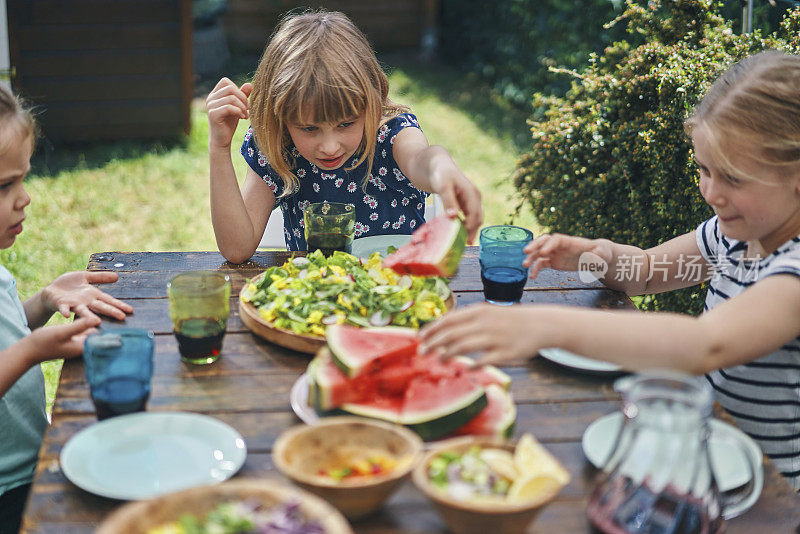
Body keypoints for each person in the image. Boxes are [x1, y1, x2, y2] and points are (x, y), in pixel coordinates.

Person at [420, 50, 800, 489]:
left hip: (772, 488)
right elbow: (649, 272)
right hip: (709, 452)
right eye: (703, 170)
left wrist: (545, 325)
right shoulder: (737, 237)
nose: (711, 192)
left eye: (732, 179)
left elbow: (705, 345)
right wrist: (587, 257)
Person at [205, 10, 483, 263]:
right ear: (281, 119)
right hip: (318, 306)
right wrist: (219, 148)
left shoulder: (391, 135)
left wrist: (443, 169)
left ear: (371, 103)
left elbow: (423, 158)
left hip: (400, 297)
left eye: (346, 124)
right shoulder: (280, 149)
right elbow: (237, 249)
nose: (329, 147)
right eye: (309, 128)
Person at [0, 87, 133, 533]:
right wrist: (33, 350)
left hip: (31, 460)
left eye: (22, 179)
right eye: (4, 186)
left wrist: (41, 301)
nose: (24, 198)